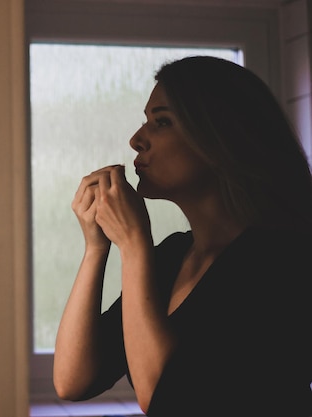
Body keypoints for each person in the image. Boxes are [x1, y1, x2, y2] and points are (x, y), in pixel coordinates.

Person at [53, 55, 312, 417]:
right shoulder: (172, 256)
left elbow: (168, 401)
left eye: (161, 122)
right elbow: (73, 380)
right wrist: (97, 248)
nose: (136, 140)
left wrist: (133, 244)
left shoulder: (283, 259)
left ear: (219, 140)